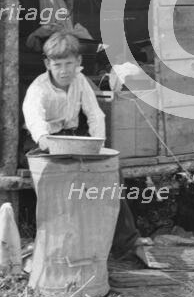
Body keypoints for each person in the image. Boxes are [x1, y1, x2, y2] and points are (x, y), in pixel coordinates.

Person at [22, 30, 152, 260]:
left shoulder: (80, 81)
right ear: (47, 64)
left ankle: (126, 242)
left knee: (112, 172)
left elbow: (95, 115)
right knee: (61, 180)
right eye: (58, 64)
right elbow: (35, 122)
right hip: (43, 142)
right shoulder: (38, 88)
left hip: (74, 138)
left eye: (69, 63)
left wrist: (98, 148)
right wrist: (49, 146)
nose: (64, 70)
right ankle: (57, 246)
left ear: (78, 62)